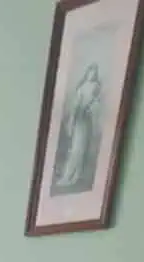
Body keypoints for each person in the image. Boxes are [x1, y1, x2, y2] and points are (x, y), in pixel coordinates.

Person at [55, 63, 103, 191]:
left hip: (85, 119)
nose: (91, 74)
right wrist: (72, 118)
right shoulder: (82, 87)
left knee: (80, 148)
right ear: (87, 73)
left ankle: (75, 175)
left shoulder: (95, 86)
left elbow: (95, 102)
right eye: (90, 72)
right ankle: (68, 175)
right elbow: (76, 103)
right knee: (75, 148)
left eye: (94, 73)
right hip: (79, 118)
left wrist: (88, 108)